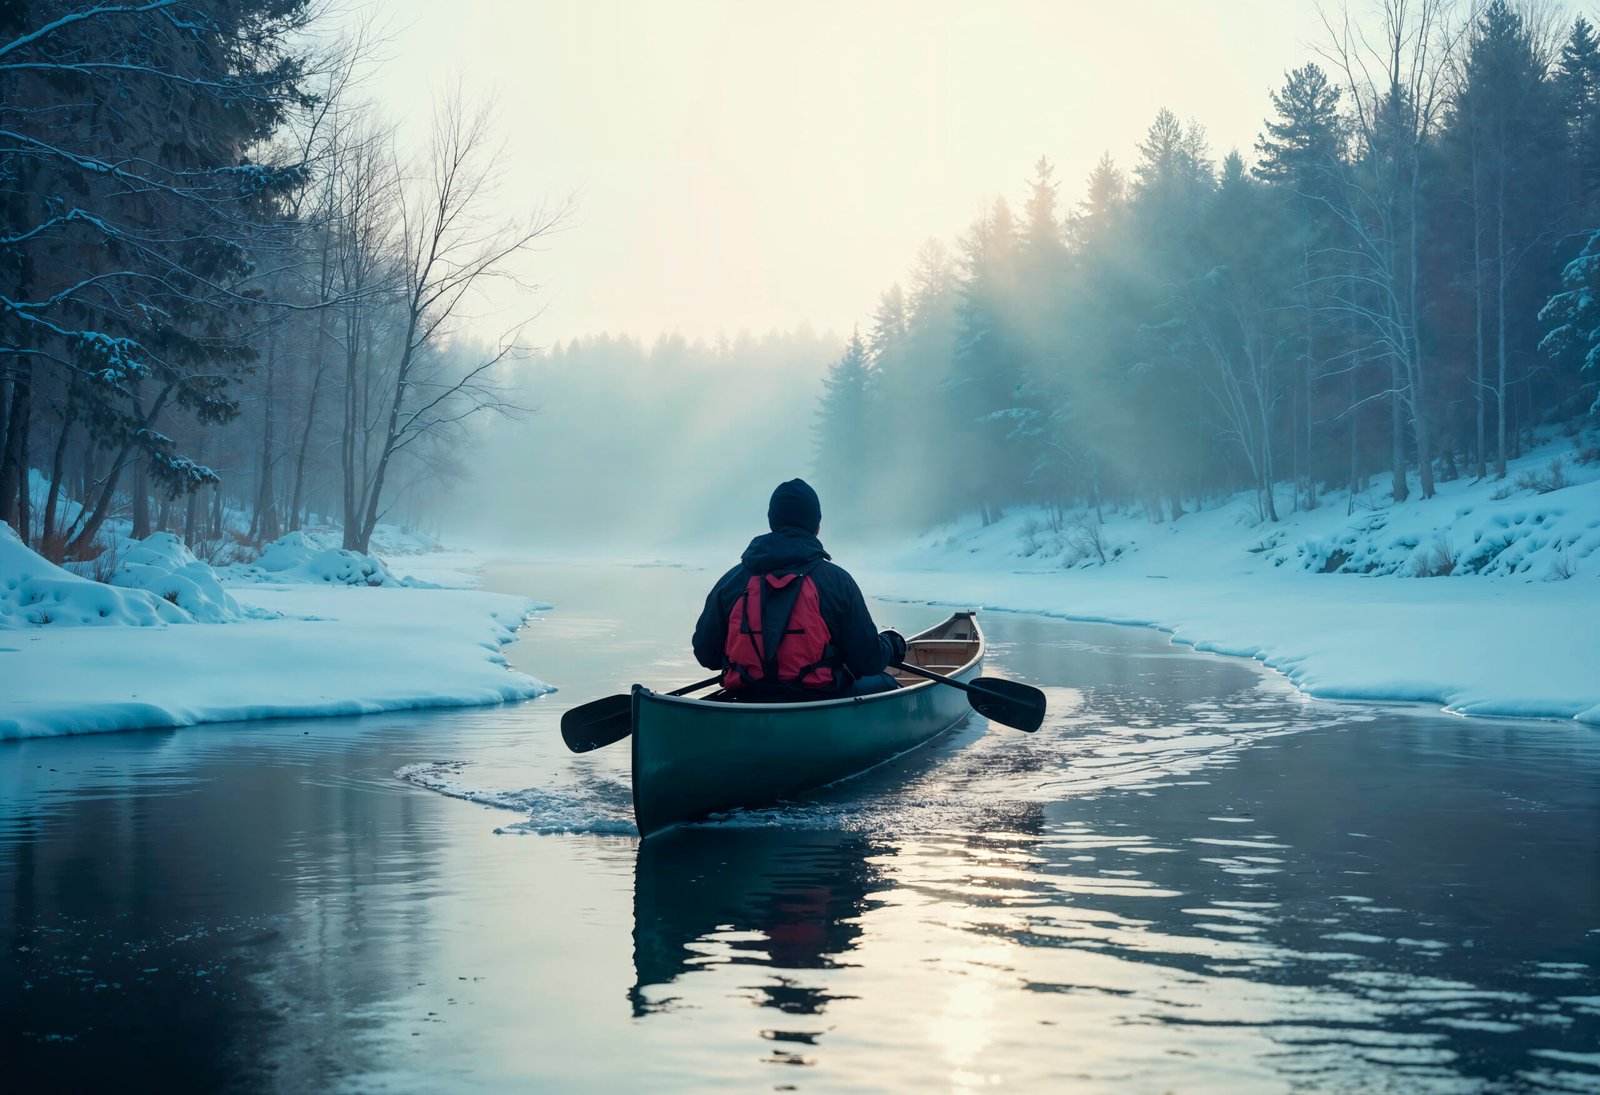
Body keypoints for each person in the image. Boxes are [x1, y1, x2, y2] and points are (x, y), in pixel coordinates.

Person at [692, 479, 906, 700]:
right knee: (886, 681)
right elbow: (868, 661)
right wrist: (890, 645)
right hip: (820, 701)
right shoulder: (837, 581)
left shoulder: (731, 582)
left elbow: (706, 656)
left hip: (748, 700)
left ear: (772, 522)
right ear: (817, 526)